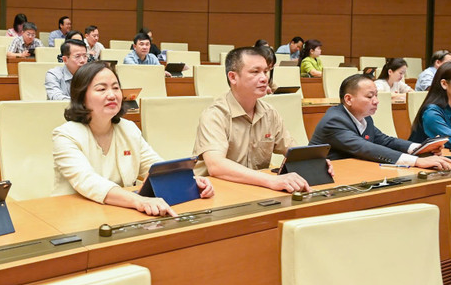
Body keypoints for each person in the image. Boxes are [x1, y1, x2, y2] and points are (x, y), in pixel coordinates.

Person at [52, 61, 214, 216]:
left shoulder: (128, 128)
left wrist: (190, 181)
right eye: (101, 89)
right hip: (74, 215)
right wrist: (139, 201)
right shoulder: (65, 135)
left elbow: (155, 167)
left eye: (116, 88)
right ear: (81, 97)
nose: (112, 95)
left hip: (120, 211)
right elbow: (87, 181)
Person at [193, 47, 322, 193]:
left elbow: (293, 150)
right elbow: (216, 166)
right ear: (233, 77)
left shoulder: (269, 113)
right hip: (217, 192)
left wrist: (315, 162)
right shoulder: (214, 115)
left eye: (265, 71)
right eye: (255, 72)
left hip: (256, 190)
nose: (264, 78)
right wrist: (272, 180)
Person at [309, 74, 451, 169]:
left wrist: (421, 148)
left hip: (355, 170)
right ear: (348, 99)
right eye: (370, 96)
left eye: (376, 95)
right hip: (329, 176)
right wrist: (417, 161)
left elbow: (385, 141)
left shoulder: (365, 117)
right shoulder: (334, 120)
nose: (376, 101)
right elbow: (365, 148)